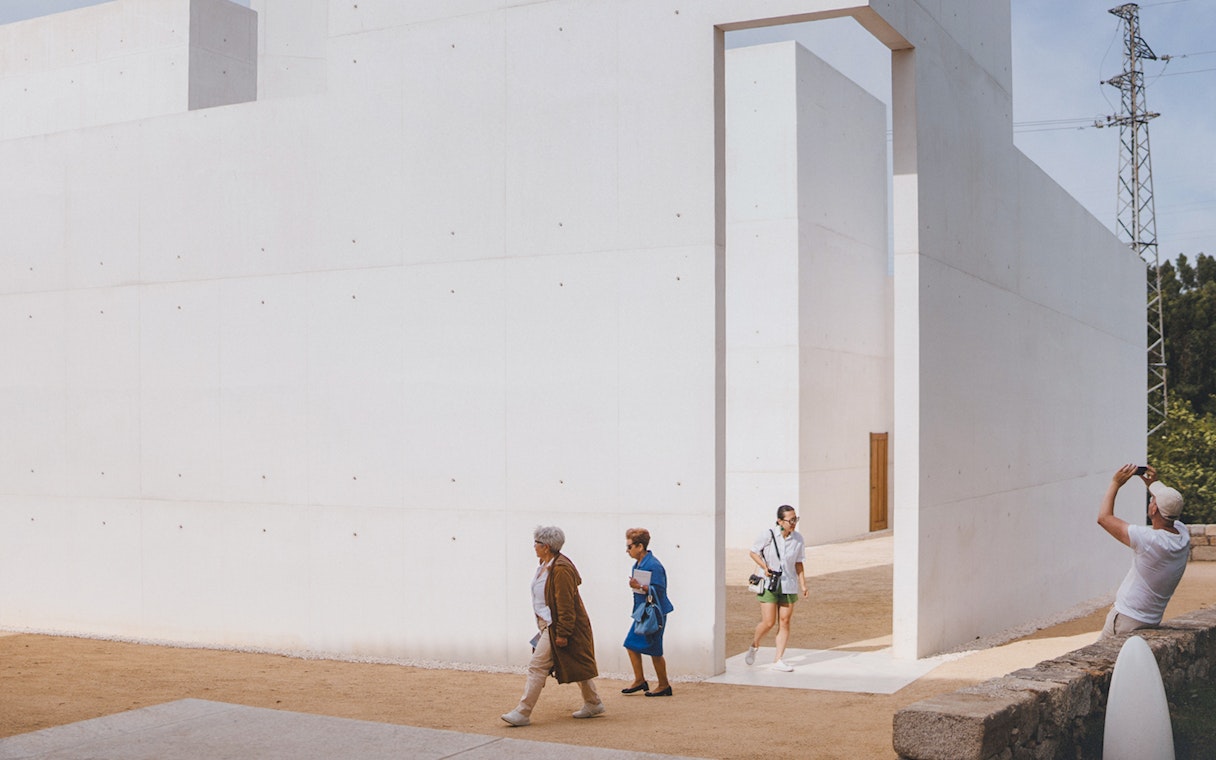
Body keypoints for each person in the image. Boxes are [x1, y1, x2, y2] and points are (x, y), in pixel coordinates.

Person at [501, 526, 605, 726]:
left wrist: (563, 633)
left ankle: (522, 712)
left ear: (546, 546)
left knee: (537, 666)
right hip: (548, 624)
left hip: (557, 626)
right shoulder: (545, 564)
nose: (534, 547)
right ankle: (594, 703)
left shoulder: (560, 569)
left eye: (536, 543)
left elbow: (565, 605)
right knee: (574, 662)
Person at [1097, 464, 1191, 639]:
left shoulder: (1149, 540)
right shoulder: (1182, 533)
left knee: (1099, 663)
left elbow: (1104, 518)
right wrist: (1152, 484)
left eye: (1152, 501)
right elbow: (1167, 506)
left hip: (1126, 619)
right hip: (1150, 620)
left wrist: (1115, 483)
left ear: (1153, 509)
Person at [745, 505, 808, 671]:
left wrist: (802, 583)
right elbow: (753, 552)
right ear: (780, 521)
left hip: (789, 584)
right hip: (769, 583)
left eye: (796, 519)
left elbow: (798, 562)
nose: (794, 523)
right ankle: (755, 645)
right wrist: (764, 567)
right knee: (768, 622)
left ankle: (778, 659)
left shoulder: (798, 539)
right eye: (790, 520)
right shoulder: (768, 535)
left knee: (785, 621)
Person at [621, 528, 676, 697]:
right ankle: (640, 680)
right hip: (643, 612)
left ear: (640, 546)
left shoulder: (653, 565)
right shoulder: (638, 564)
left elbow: (660, 590)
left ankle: (663, 685)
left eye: (629, 546)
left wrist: (640, 587)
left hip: (654, 612)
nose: (627, 550)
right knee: (631, 644)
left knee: (654, 649)